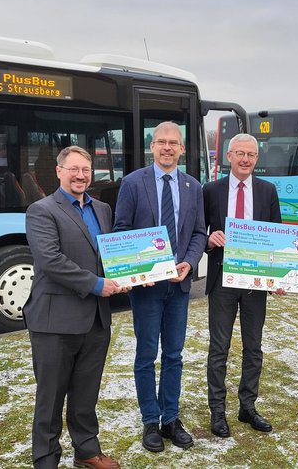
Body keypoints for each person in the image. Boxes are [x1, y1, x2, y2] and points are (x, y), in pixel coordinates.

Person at [23, 145, 126, 469]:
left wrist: (137, 274)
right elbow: (50, 260)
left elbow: (108, 257)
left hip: (95, 320)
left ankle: (86, 450)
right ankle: (46, 459)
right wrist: (97, 284)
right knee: (50, 399)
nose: (80, 175)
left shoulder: (102, 209)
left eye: (86, 169)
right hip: (55, 322)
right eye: (74, 169)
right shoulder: (41, 210)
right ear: (59, 172)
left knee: (86, 394)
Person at [113, 121, 207, 452]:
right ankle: (150, 420)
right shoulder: (132, 183)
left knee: (174, 355)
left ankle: (170, 418)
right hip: (148, 288)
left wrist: (190, 263)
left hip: (179, 286)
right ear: (151, 147)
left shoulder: (192, 186)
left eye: (174, 143)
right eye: (161, 142)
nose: (167, 148)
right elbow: (122, 230)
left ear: (182, 149)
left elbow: (199, 233)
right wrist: (139, 270)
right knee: (146, 354)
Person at [202, 133, 282, 437]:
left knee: (254, 348)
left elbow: (276, 236)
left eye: (251, 154)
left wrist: (279, 276)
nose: (245, 159)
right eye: (240, 153)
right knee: (218, 349)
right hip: (223, 277)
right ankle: (217, 411)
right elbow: (201, 231)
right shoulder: (211, 190)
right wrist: (210, 241)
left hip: (255, 280)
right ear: (229, 156)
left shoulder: (267, 191)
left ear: (256, 159)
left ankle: (247, 407)